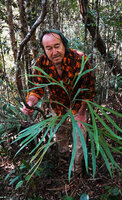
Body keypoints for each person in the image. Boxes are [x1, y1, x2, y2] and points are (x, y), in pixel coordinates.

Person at [22, 29, 95, 175]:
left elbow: (88, 89)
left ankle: (76, 171)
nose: (54, 52)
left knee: (79, 136)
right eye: (49, 48)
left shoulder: (80, 59)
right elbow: (36, 90)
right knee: (60, 132)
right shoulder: (41, 63)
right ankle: (63, 157)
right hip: (57, 103)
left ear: (64, 44)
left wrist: (81, 113)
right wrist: (30, 103)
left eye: (57, 46)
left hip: (78, 104)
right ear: (44, 49)